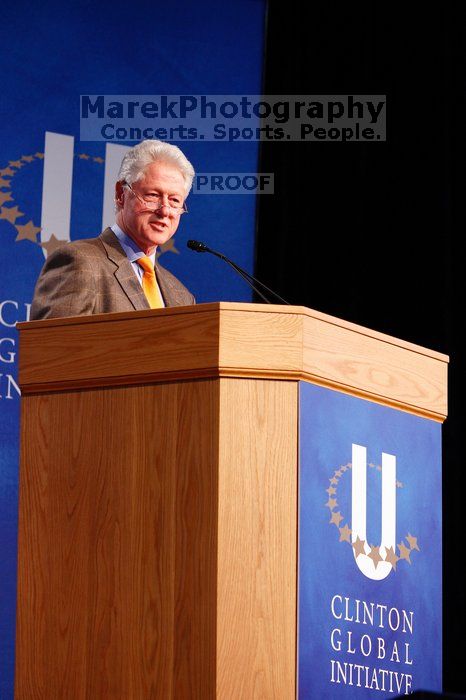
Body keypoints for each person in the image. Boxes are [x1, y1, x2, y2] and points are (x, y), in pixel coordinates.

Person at [30, 140, 195, 320]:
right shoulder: (80, 263)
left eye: (174, 201)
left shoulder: (183, 297)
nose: (164, 210)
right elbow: (54, 346)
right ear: (121, 194)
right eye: (153, 195)